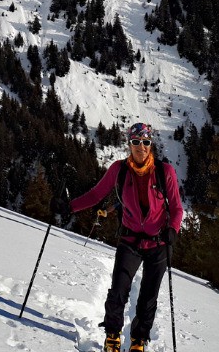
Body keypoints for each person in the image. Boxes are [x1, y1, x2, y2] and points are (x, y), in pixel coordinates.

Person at [70, 122, 184, 352]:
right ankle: (112, 334)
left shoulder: (165, 172)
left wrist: (173, 228)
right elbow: (95, 195)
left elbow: (178, 208)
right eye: (135, 142)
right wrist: (69, 207)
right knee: (118, 289)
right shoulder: (119, 169)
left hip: (159, 242)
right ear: (129, 144)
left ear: (151, 144)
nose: (140, 147)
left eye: (145, 142)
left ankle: (139, 339)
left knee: (148, 296)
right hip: (130, 240)